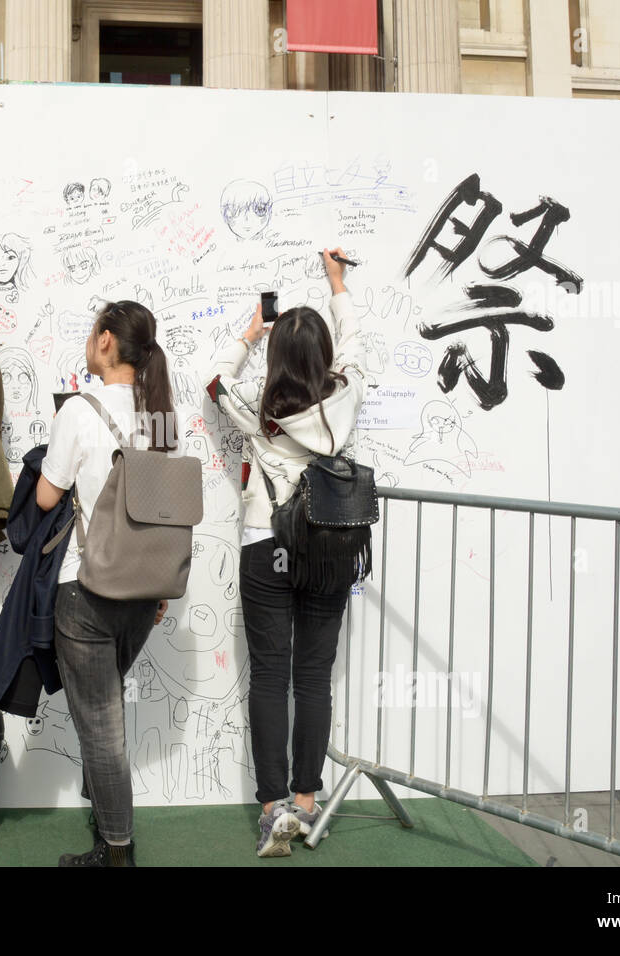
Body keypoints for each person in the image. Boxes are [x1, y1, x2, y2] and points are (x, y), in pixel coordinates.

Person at [206, 248, 367, 858]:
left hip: (264, 545)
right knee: (314, 677)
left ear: (277, 359)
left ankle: (272, 805)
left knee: (271, 676)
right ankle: (306, 800)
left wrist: (249, 335)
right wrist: (337, 285)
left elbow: (215, 382)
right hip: (328, 548)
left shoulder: (260, 413)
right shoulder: (346, 396)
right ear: (324, 358)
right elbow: (354, 340)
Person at [34, 300, 177, 867]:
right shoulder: (161, 413)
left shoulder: (79, 410)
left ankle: (117, 850)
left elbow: (47, 497)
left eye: (93, 331)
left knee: (100, 726)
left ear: (108, 342)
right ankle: (108, 828)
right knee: (106, 710)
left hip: (87, 590)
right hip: (144, 593)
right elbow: (165, 511)